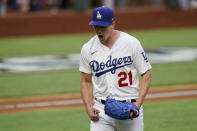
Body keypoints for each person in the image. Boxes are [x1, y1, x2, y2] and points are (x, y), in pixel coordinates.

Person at [79, 6, 152, 131]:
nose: (99, 30)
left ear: (113, 24)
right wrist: (89, 107)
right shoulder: (87, 48)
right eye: (96, 26)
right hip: (101, 112)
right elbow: (85, 81)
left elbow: (146, 74)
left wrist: (137, 105)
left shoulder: (131, 43)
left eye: (103, 26)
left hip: (129, 108)